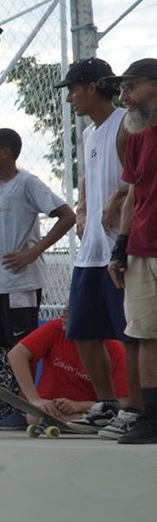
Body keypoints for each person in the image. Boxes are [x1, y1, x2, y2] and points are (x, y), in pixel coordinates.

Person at [0, 128, 74, 430]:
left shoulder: (28, 183)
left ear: (6, 153)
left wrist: (33, 252)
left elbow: (67, 215)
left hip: (20, 283)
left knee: (21, 345)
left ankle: (23, 407)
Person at [55, 58, 136, 434]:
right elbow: (88, 180)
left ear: (91, 87)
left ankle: (136, 409)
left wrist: (120, 195)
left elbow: (140, 175)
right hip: (90, 251)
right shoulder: (89, 134)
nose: (70, 97)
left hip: (122, 246)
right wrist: (84, 207)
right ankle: (106, 404)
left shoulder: (125, 123)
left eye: (73, 89)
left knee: (130, 333)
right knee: (82, 329)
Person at [108, 58, 157, 444]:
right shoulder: (137, 135)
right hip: (141, 247)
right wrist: (120, 247)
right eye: (122, 89)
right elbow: (133, 194)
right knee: (144, 334)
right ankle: (151, 419)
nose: (124, 97)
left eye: (131, 87)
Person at [6, 309, 128, 428]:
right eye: (65, 310)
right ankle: (84, 423)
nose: (63, 316)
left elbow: (124, 402)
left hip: (89, 409)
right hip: (50, 407)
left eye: (71, 313)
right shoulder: (56, 327)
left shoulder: (114, 348)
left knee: (36, 418)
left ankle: (89, 422)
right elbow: (16, 354)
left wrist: (78, 406)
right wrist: (35, 399)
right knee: (33, 417)